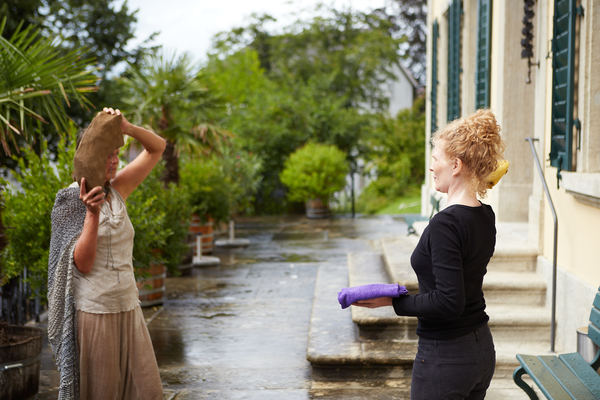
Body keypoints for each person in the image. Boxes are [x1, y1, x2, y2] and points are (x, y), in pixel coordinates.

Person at [353, 109, 505, 400]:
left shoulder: (445, 225)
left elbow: (449, 301)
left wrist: (393, 302)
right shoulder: (485, 215)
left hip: (446, 358)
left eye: (436, 159)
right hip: (480, 349)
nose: (431, 167)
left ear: (456, 165)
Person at [48, 107, 166, 400]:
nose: (114, 160)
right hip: (96, 313)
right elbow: (83, 264)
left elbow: (157, 148)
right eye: (107, 154)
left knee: (145, 392)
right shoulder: (69, 201)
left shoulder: (117, 189)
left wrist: (126, 127)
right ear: (88, 155)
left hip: (128, 307)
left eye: (116, 154)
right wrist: (91, 213)